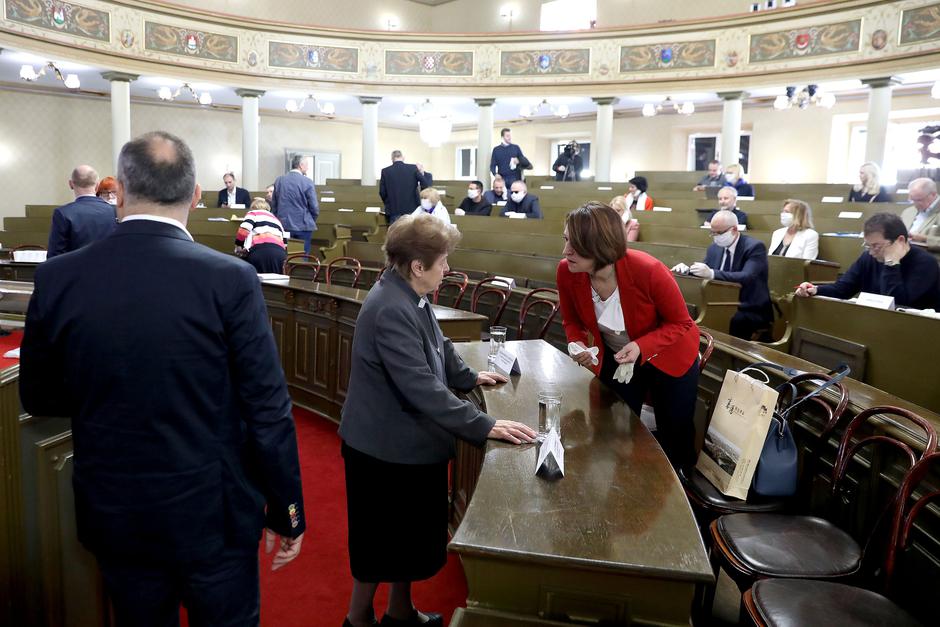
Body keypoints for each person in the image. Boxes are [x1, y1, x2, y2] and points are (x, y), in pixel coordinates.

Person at [20, 131, 305, 626]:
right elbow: (268, 409)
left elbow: (39, 394)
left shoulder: (58, 277)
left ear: (121, 194)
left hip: (115, 508)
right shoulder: (229, 279)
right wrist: (287, 509)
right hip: (212, 511)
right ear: (196, 195)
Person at [339, 213, 535, 627]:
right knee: (380, 545)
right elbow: (420, 386)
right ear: (417, 265)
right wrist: (483, 425)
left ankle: (400, 612)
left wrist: (468, 376)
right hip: (382, 450)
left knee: (405, 543)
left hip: (404, 445)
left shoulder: (408, 292)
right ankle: (357, 620)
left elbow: (438, 342)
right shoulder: (389, 306)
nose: (448, 269)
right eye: (443, 261)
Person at [557, 202, 701, 468]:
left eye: (575, 244)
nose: (566, 251)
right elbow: (571, 320)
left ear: (599, 246)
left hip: (669, 355)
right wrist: (576, 343)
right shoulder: (567, 270)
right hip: (619, 355)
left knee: (674, 432)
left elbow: (681, 323)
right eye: (566, 240)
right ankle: (626, 483)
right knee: (614, 423)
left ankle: (681, 492)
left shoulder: (648, 269)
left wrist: (641, 346)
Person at [796, 212, 940, 310]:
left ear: (900, 241)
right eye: (868, 245)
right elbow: (843, 288)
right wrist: (815, 289)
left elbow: (899, 304)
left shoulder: (926, 263)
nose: (871, 252)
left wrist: (891, 262)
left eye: (876, 246)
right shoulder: (869, 257)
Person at [671, 211, 773, 341]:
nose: (715, 236)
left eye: (719, 233)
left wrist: (712, 273)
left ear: (734, 229)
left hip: (749, 305)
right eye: (712, 232)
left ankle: (727, 359)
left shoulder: (754, 247)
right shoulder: (714, 248)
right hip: (720, 302)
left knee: (735, 320)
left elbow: (747, 277)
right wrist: (687, 271)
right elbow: (705, 270)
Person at [47, 164, 117, 258]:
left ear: (71, 184)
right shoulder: (114, 211)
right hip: (109, 270)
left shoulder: (63, 213)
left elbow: (55, 256)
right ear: (97, 185)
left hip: (74, 271)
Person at [272, 155, 319, 254]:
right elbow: (314, 207)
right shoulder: (307, 182)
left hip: (283, 224)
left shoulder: (279, 180)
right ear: (301, 165)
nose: (308, 167)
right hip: (303, 225)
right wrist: (310, 219)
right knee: (301, 257)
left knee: (284, 256)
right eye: (307, 165)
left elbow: (274, 205)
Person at [235, 198, 289, 274]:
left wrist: (238, 245)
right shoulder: (276, 219)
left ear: (253, 207)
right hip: (280, 254)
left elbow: (244, 230)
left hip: (260, 251)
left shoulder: (253, 213)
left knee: (258, 282)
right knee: (275, 283)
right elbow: (285, 241)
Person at [379, 150, 432, 225]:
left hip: (394, 209)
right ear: (403, 157)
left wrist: (388, 203)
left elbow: (382, 192)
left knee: (395, 234)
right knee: (411, 234)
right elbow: (425, 184)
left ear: (392, 159)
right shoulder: (413, 168)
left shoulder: (385, 171)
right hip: (412, 209)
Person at [901, 177, 940, 251]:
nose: (915, 204)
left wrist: (925, 239)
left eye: (919, 200)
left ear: (933, 194)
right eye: (912, 200)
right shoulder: (908, 212)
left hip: (932, 257)